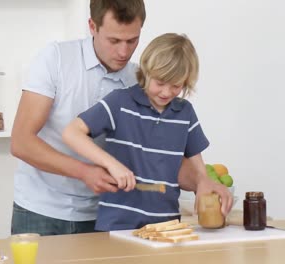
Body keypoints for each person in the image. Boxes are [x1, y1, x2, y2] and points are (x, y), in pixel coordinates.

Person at [62, 33, 233, 230]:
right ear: (146, 71)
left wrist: (204, 183)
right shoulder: (120, 102)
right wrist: (112, 165)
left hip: (166, 227)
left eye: (176, 85)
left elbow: (199, 168)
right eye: (160, 82)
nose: (166, 92)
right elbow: (72, 132)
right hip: (117, 226)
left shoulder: (185, 113)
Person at [10, 0, 147, 235]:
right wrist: (84, 172)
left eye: (132, 40)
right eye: (114, 41)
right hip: (41, 209)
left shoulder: (138, 78)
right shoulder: (56, 59)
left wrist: (201, 180)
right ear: (92, 26)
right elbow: (21, 142)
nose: (124, 52)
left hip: (106, 214)